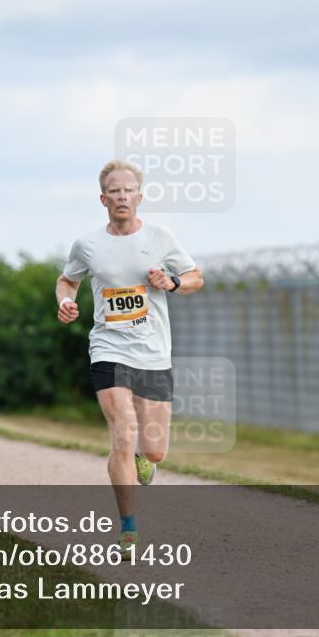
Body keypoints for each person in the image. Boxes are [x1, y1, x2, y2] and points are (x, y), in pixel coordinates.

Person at [56, 159, 203, 556]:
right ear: (103, 199)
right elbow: (67, 280)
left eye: (128, 190)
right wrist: (66, 301)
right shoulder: (87, 244)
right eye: (114, 191)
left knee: (154, 449)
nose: (122, 196)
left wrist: (171, 282)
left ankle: (144, 457)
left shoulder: (160, 237)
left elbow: (195, 278)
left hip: (153, 351)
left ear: (140, 196)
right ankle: (128, 529)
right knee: (122, 429)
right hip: (109, 346)